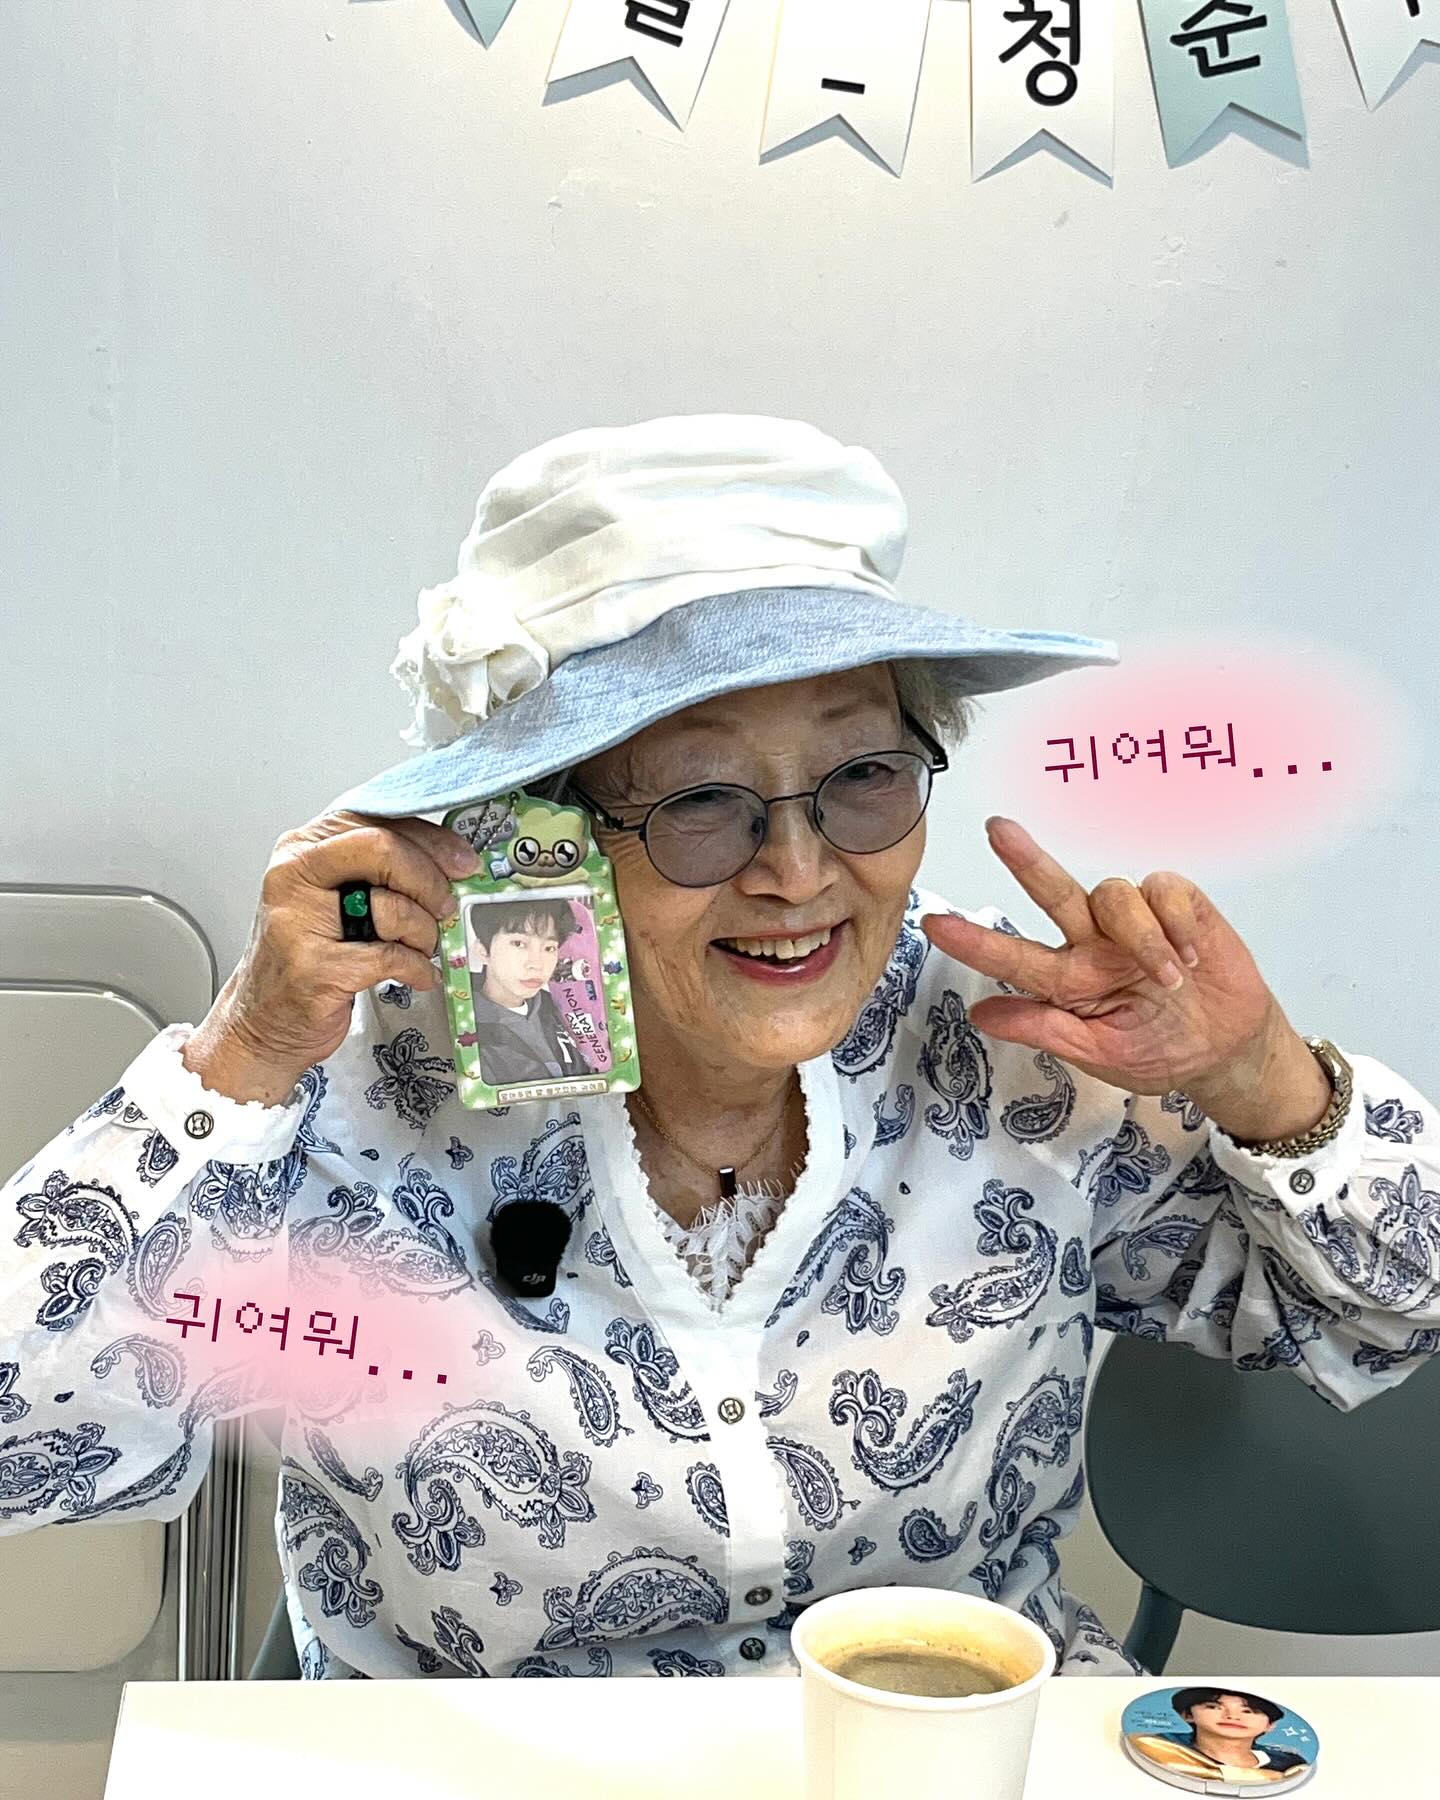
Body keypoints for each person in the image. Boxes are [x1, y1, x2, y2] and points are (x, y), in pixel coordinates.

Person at [3, 414, 1439, 1683]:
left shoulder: (1017, 1044)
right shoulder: (358, 1090)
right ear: (536, 832)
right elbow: (27, 1443)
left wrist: (1259, 1081)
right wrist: (246, 1053)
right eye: (699, 798)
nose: (798, 873)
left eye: (862, 776)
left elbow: (1392, 1318)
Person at [466, 897, 592, 1085]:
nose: (536, 964)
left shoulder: (559, 1006)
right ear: (483, 950)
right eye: (519, 944)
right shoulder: (465, 1025)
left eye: (549, 948)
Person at [1128, 1687, 1310, 1783]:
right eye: (1214, 1707)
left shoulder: (1290, 1764)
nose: (1232, 1716)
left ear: (1270, 1725)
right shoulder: (1159, 1745)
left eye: (1248, 1711)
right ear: (1188, 1714)